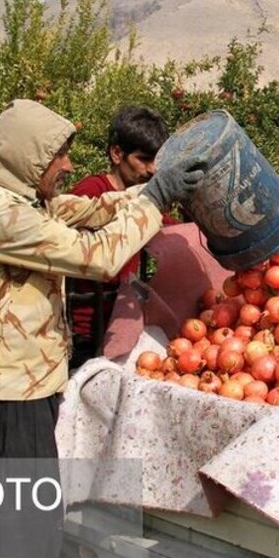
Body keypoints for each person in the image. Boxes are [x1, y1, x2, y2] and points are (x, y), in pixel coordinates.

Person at [0, 99, 204, 558]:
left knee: (26, 522)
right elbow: (97, 255)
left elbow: (92, 211)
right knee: (15, 528)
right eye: (57, 155)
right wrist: (155, 198)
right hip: (2, 391)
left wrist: (148, 192)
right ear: (29, 156)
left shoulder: (29, 202)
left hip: (29, 383)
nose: (67, 166)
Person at [66, 106, 177, 370]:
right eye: (143, 159)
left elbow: (172, 235)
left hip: (127, 323)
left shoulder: (149, 199)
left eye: (157, 161)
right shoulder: (90, 193)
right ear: (117, 154)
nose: (152, 170)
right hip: (90, 331)